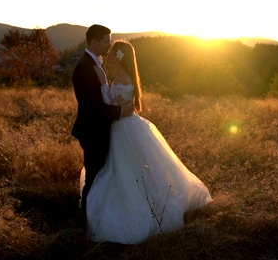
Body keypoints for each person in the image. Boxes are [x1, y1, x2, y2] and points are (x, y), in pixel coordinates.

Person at [84, 40, 212, 244]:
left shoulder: (124, 79)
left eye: (112, 52)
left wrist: (102, 85)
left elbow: (119, 109)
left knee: (130, 169)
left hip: (124, 129)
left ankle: (140, 210)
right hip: (121, 128)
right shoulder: (119, 76)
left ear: (119, 56)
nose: (108, 53)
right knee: (122, 170)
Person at [72, 25, 133, 214]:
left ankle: (99, 213)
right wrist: (121, 112)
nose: (109, 45)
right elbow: (93, 106)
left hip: (102, 129)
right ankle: (86, 220)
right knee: (95, 176)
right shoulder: (84, 67)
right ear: (94, 41)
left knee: (103, 174)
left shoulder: (97, 62)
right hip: (93, 130)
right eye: (106, 41)